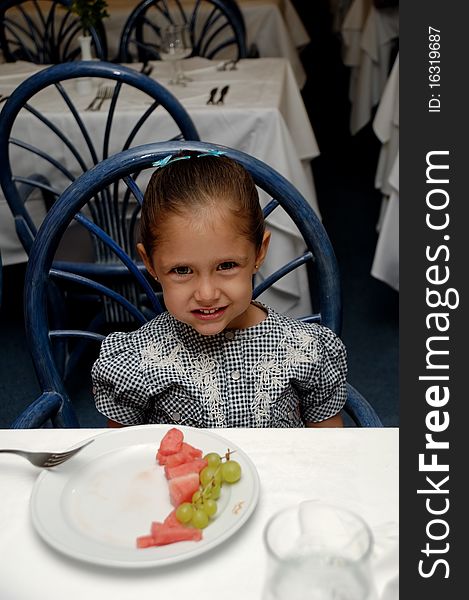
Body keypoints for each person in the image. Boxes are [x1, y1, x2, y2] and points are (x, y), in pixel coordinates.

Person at [91, 150, 347, 428]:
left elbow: (328, 451)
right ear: (150, 264)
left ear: (259, 253)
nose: (207, 293)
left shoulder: (305, 349)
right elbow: (121, 454)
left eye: (226, 266)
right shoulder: (136, 360)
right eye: (182, 270)